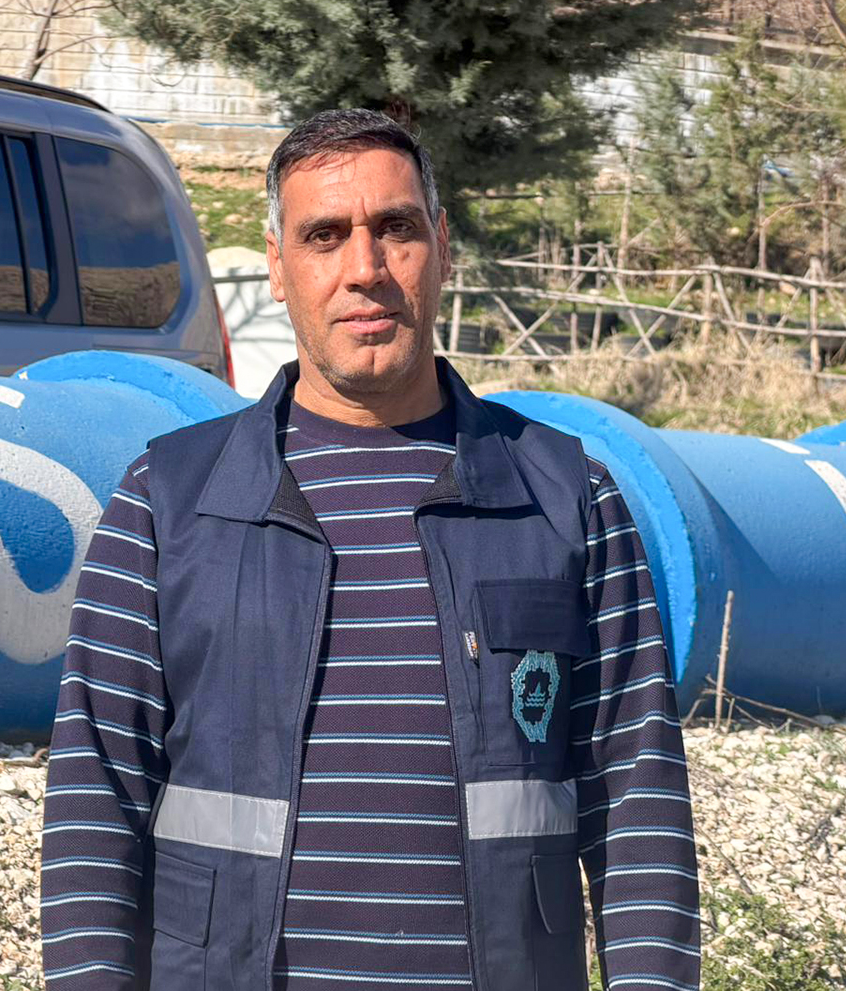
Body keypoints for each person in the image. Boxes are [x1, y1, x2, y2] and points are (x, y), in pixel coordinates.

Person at [39, 108, 700, 991]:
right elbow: (94, 800)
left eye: (396, 228)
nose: (366, 268)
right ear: (278, 267)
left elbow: (639, 801)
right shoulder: (167, 500)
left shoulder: (568, 498)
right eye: (325, 236)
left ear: (443, 249)